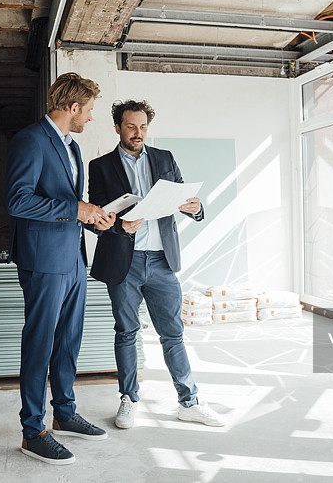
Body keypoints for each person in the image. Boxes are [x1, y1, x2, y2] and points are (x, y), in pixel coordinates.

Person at [88, 99, 225, 430]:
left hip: (162, 260)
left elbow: (184, 199)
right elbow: (94, 219)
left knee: (173, 334)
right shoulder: (100, 166)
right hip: (124, 262)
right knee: (126, 332)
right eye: (131, 127)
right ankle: (129, 399)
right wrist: (120, 226)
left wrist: (195, 208)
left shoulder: (165, 158)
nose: (138, 133)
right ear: (118, 128)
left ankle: (189, 402)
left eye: (143, 127)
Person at [6, 72, 115, 465]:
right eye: (89, 110)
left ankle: (64, 414)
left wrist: (93, 218)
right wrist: (76, 209)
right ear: (73, 108)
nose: (91, 117)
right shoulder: (30, 140)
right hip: (43, 260)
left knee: (69, 339)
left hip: (73, 258)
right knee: (41, 342)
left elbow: (68, 204)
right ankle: (32, 431)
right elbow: (18, 201)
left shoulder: (72, 147)